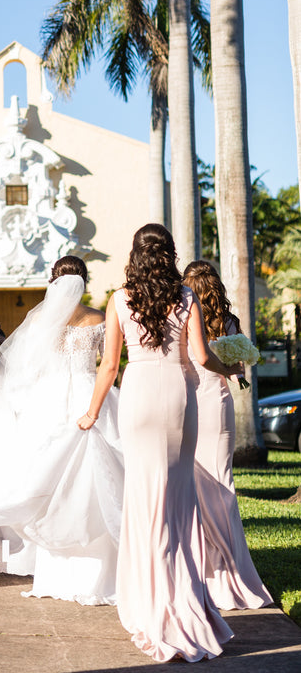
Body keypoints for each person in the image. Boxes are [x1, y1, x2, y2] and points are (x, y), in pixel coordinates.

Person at [78, 224, 239, 662]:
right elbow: (202, 357)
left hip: (140, 394)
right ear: (169, 253)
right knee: (178, 495)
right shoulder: (186, 297)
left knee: (145, 495)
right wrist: (233, 370)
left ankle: (148, 598)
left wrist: (92, 412)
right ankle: (182, 596)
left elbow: (109, 365)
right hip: (177, 395)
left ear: (135, 254)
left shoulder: (119, 299)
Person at [0, 255, 124, 604]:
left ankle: (56, 573)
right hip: (88, 395)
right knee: (95, 479)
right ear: (84, 281)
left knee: (49, 480)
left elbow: (26, 366)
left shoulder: (39, 318)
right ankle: (101, 574)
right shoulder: (98, 317)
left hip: (48, 400)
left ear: (53, 281)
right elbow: (108, 364)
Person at [183, 260, 273, 610]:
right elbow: (236, 368)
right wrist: (236, 372)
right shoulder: (228, 321)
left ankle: (205, 570)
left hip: (189, 402)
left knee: (193, 485)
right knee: (222, 483)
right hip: (216, 405)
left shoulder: (181, 317)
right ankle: (226, 569)